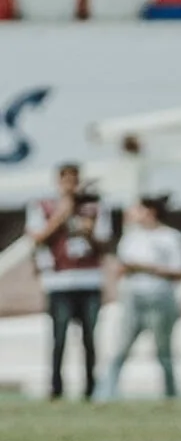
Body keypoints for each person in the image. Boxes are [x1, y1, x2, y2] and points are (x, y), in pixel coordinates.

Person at [25, 163, 112, 400]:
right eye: (66, 181)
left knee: (89, 339)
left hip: (89, 280)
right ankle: (56, 387)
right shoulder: (43, 206)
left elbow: (104, 245)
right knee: (59, 338)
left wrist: (88, 232)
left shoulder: (95, 207)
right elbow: (37, 238)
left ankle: (91, 388)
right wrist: (61, 215)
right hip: (59, 280)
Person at [104, 194, 181, 399]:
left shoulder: (170, 237)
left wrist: (145, 268)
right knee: (120, 348)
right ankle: (107, 393)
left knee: (164, 351)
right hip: (133, 297)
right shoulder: (131, 237)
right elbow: (121, 268)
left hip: (160, 297)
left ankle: (171, 395)